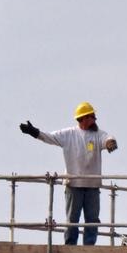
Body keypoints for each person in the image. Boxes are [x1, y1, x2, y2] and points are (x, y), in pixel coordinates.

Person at [19, 102, 118, 245]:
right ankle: (70, 246)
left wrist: (110, 142)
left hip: (92, 186)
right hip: (73, 184)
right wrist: (34, 132)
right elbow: (49, 137)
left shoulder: (98, 134)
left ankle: (89, 248)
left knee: (92, 220)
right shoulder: (69, 134)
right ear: (83, 118)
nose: (95, 119)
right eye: (92, 117)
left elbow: (107, 138)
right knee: (72, 219)